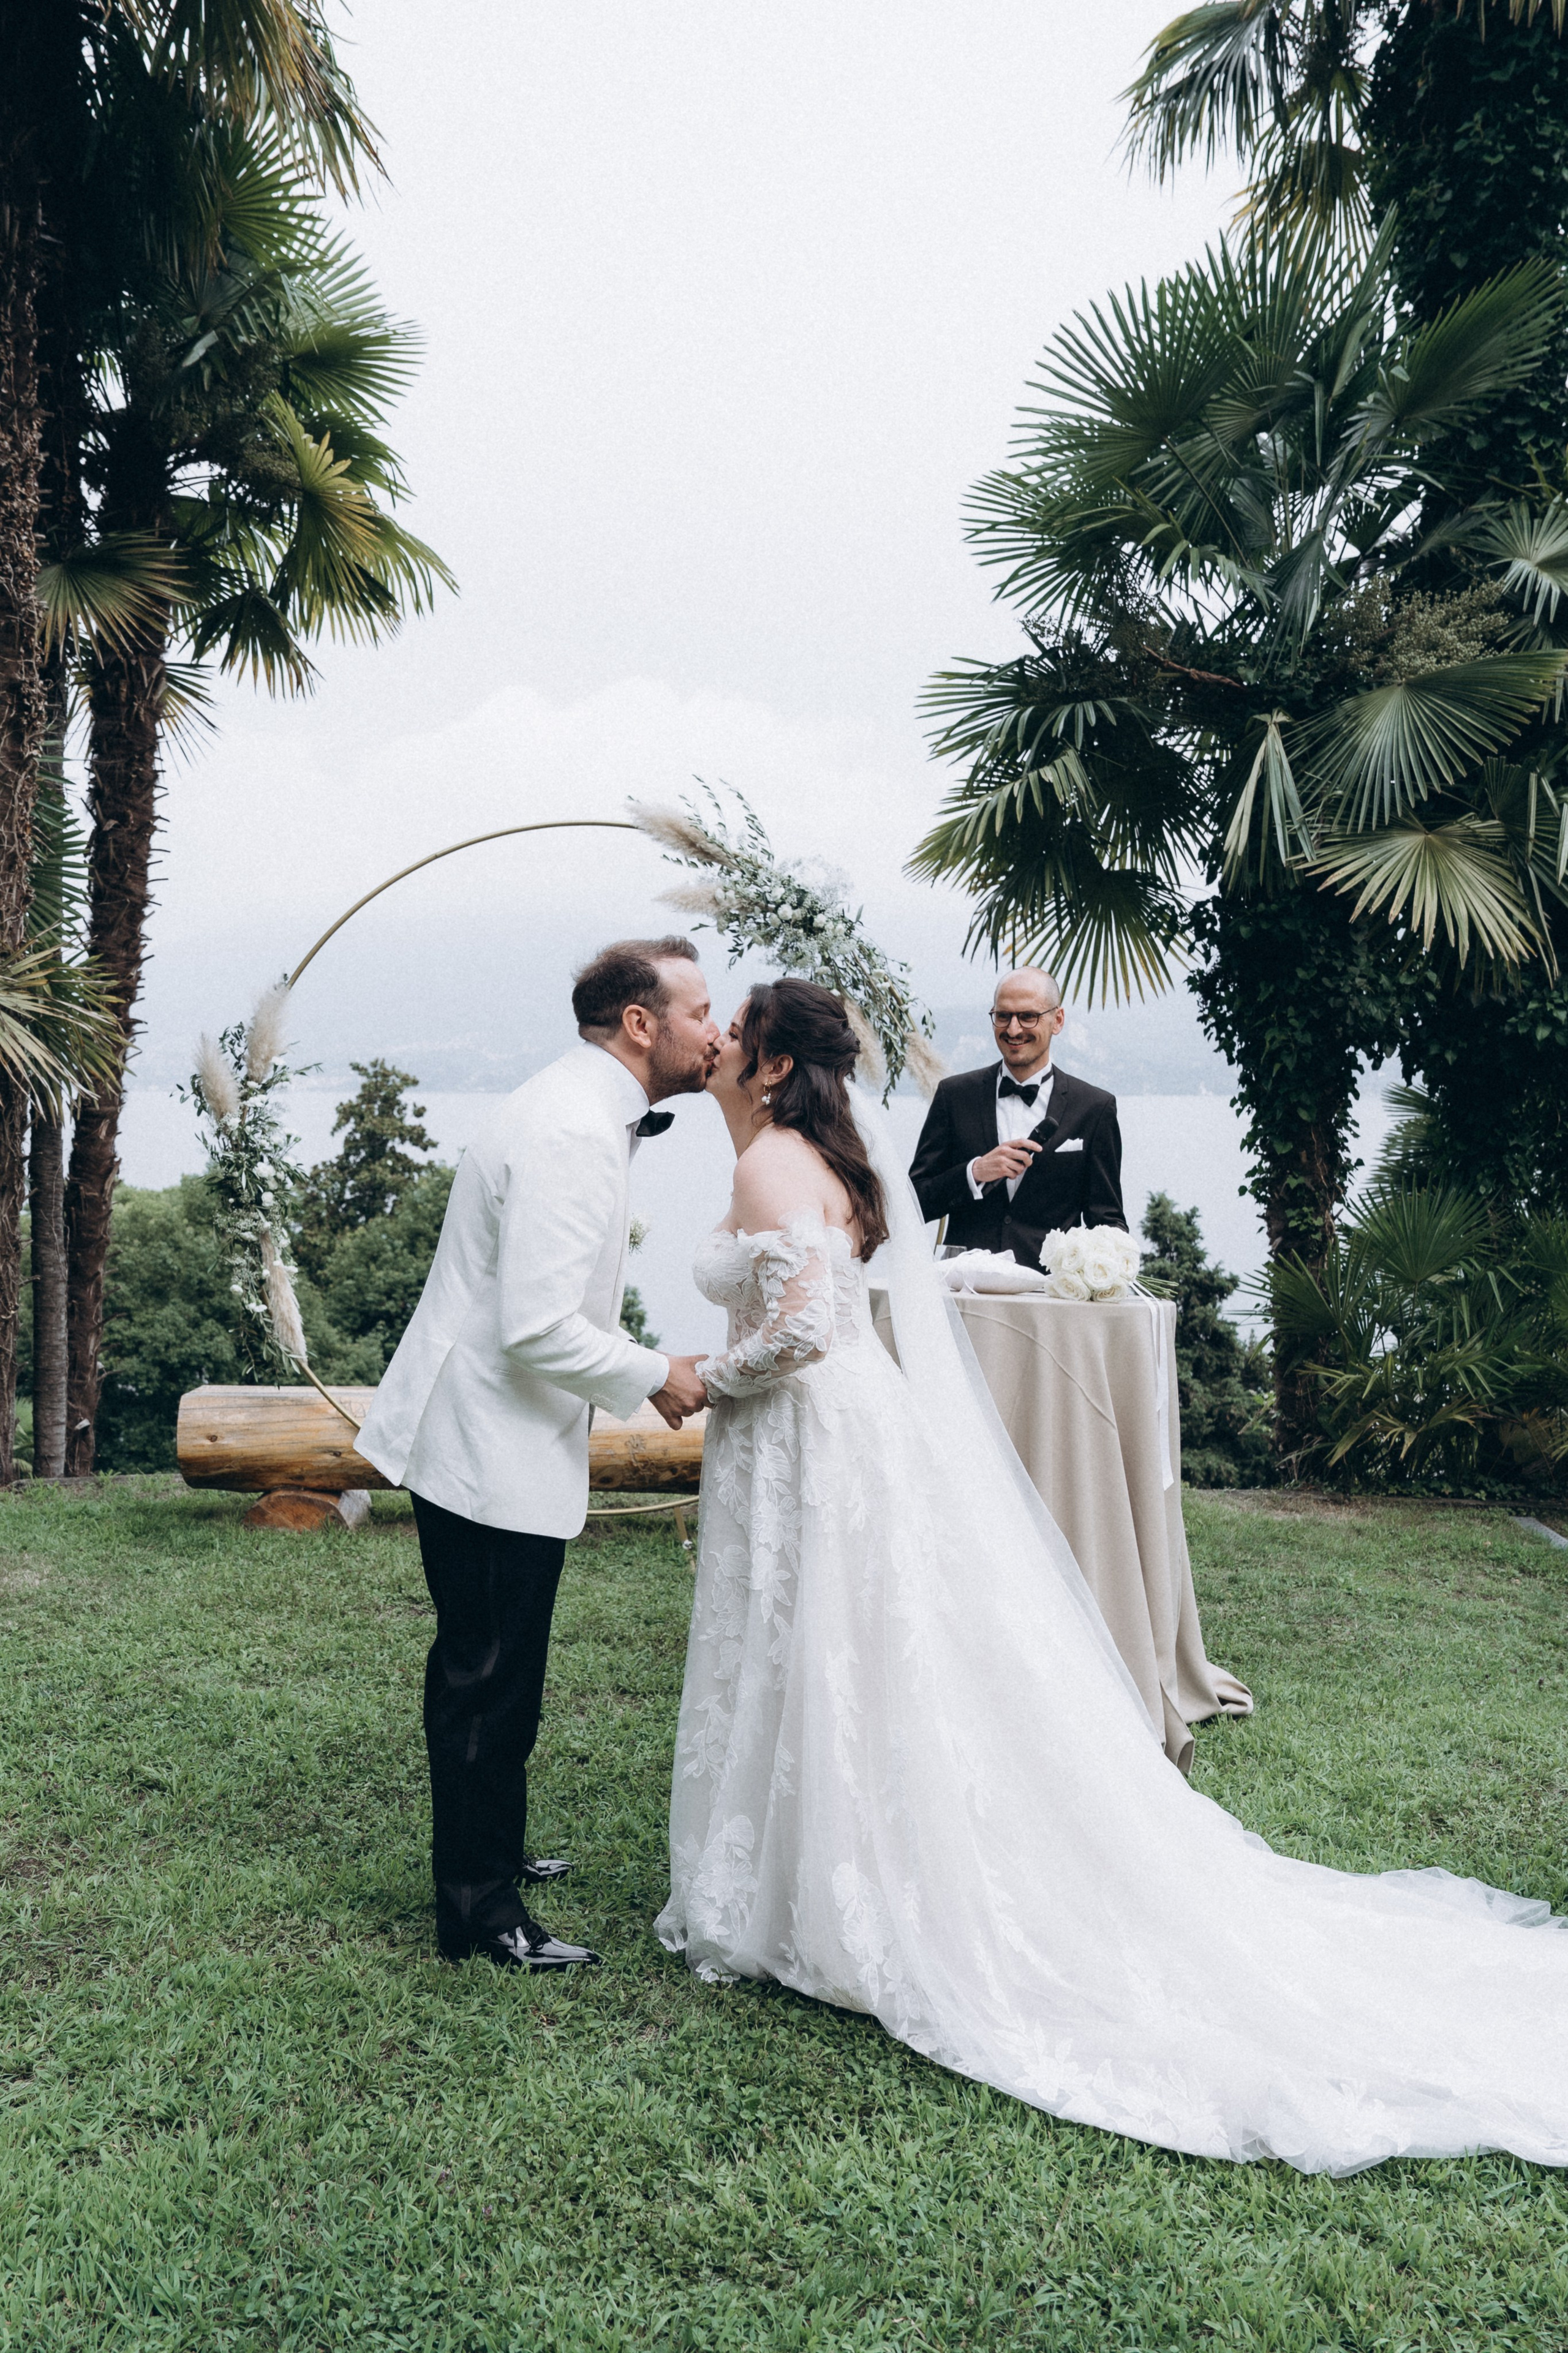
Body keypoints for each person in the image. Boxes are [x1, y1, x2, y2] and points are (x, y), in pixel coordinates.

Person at [657, 975, 1568, 2174]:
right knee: (847, 1644)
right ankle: (821, 1872)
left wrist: (698, 1379)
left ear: (774, 1065)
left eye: (737, 1035)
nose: (717, 1041)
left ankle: (831, 1896)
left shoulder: (771, 1163)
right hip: (839, 1433)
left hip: (804, 1433)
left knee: (821, 1640)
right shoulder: (819, 1155)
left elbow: (802, 1332)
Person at [358, 938, 716, 1971]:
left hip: (497, 1428)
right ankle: (478, 1913)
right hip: (484, 1438)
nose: (717, 1030)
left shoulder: (579, 1105)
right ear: (641, 1024)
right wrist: (656, 1373)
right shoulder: (571, 1130)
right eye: (701, 1010)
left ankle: (495, 1850)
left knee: (501, 1667)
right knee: (486, 1675)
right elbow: (538, 1327)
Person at [908, 969, 1125, 1266]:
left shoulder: (1094, 1107)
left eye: (1028, 1017)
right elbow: (913, 1201)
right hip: (965, 1292)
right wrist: (975, 1173)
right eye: (1003, 1016)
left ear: (1057, 1020)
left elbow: (1108, 1222)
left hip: (1050, 1297)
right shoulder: (954, 1095)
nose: (1013, 1030)